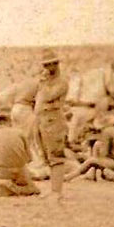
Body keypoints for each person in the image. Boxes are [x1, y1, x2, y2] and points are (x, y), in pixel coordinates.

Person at [34, 49, 69, 201]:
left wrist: (43, 81)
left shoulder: (61, 82)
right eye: (46, 65)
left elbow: (48, 96)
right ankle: (53, 189)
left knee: (56, 156)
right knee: (47, 156)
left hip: (54, 120)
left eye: (50, 64)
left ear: (56, 64)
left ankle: (57, 192)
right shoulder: (46, 81)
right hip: (43, 119)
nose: (47, 68)